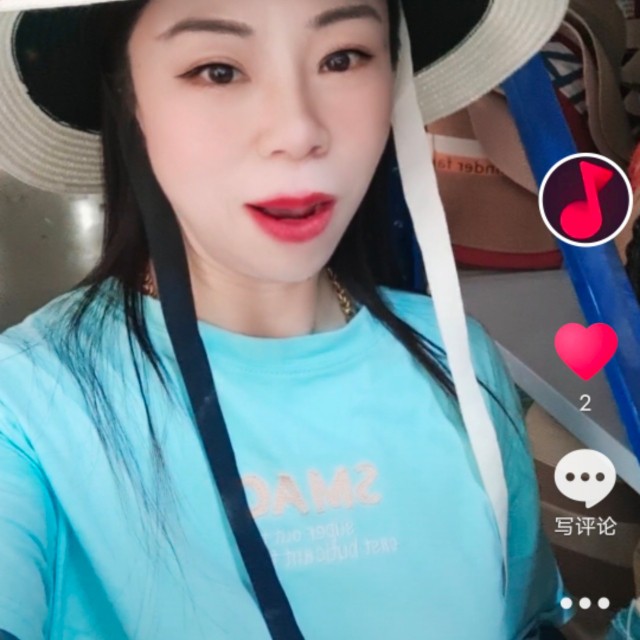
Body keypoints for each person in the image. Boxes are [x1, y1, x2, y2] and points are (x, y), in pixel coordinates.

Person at [0, 0, 637, 638]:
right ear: (127, 94)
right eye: (218, 70)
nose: (299, 130)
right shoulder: (25, 410)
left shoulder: (456, 358)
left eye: (343, 58)